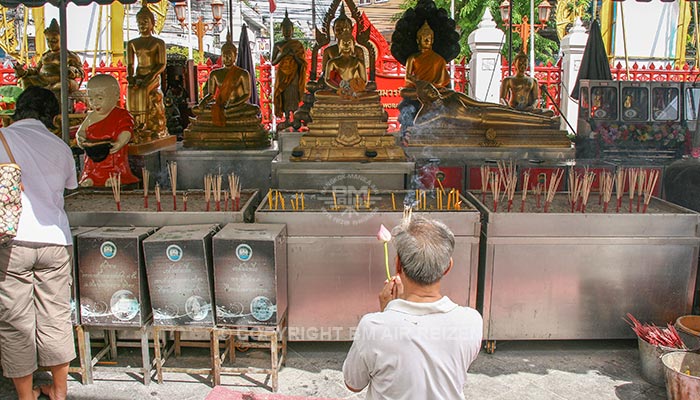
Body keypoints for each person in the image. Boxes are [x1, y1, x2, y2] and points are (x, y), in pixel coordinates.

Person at [343, 216, 483, 399]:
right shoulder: (471, 321)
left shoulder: (373, 326)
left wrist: (387, 313)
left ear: (398, 264)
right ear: (448, 267)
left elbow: (353, 384)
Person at [0, 86, 78, 400]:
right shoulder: (60, 146)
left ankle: (26, 395)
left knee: (15, 319)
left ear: (17, 111)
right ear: (52, 117)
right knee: (56, 314)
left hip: (13, 241)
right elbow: (70, 187)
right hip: (55, 240)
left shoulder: (4, 138)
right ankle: (59, 391)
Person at [76, 74, 139, 187]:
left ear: (115, 95)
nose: (94, 103)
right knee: (90, 167)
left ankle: (115, 177)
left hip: (113, 154)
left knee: (115, 165)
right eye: (91, 99)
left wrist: (120, 142)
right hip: (93, 156)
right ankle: (89, 177)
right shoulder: (91, 117)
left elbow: (126, 130)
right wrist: (80, 138)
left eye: (100, 98)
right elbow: (81, 131)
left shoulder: (121, 115)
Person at [414, 80, 560, 129]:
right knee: (518, 122)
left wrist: (503, 107)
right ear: (423, 98)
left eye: (430, 86)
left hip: (483, 113)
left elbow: (479, 103)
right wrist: (430, 110)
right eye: (426, 91)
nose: (431, 90)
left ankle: (540, 115)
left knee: (513, 114)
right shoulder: (437, 112)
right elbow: (418, 124)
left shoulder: (453, 96)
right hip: (481, 123)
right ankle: (547, 123)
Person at [13, 19, 84, 98]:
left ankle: (52, 97)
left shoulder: (69, 55)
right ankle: (31, 103)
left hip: (59, 81)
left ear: (62, 40)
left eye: (54, 41)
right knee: (25, 79)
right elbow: (36, 69)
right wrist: (23, 72)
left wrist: (73, 71)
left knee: (64, 85)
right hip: (43, 80)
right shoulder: (46, 55)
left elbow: (81, 72)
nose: (50, 44)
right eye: (48, 41)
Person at [197, 36, 259, 127]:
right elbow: (211, 94)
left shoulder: (243, 73)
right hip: (220, 105)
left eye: (229, 56)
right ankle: (227, 114)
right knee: (196, 109)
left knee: (255, 109)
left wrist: (233, 104)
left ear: (235, 56)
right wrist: (203, 102)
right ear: (221, 57)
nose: (227, 59)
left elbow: (247, 95)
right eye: (225, 56)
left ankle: (226, 114)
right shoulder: (215, 74)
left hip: (237, 106)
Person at [126, 5, 167, 139]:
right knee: (131, 90)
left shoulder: (158, 42)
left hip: (152, 76)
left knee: (144, 90)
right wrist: (130, 76)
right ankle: (133, 121)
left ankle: (143, 123)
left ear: (152, 23)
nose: (142, 25)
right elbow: (130, 64)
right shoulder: (132, 43)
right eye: (139, 23)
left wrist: (151, 76)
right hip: (139, 74)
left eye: (145, 22)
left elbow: (162, 64)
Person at [271, 11, 307, 128]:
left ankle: (295, 117)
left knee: (293, 95)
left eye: (289, 29)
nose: (287, 31)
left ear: (292, 30)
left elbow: (302, 62)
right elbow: (273, 62)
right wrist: (282, 55)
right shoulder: (278, 44)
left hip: (294, 75)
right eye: (284, 29)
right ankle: (286, 118)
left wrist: (295, 56)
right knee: (284, 96)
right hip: (282, 74)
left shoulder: (297, 44)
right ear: (281, 30)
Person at [403, 21, 450, 93]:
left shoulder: (439, 59)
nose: (427, 41)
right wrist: (419, 83)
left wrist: (432, 86)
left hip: (434, 88)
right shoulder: (413, 58)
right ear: (418, 40)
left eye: (429, 38)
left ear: (432, 40)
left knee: (446, 92)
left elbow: (442, 80)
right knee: (404, 92)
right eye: (424, 38)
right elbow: (407, 77)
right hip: (418, 87)